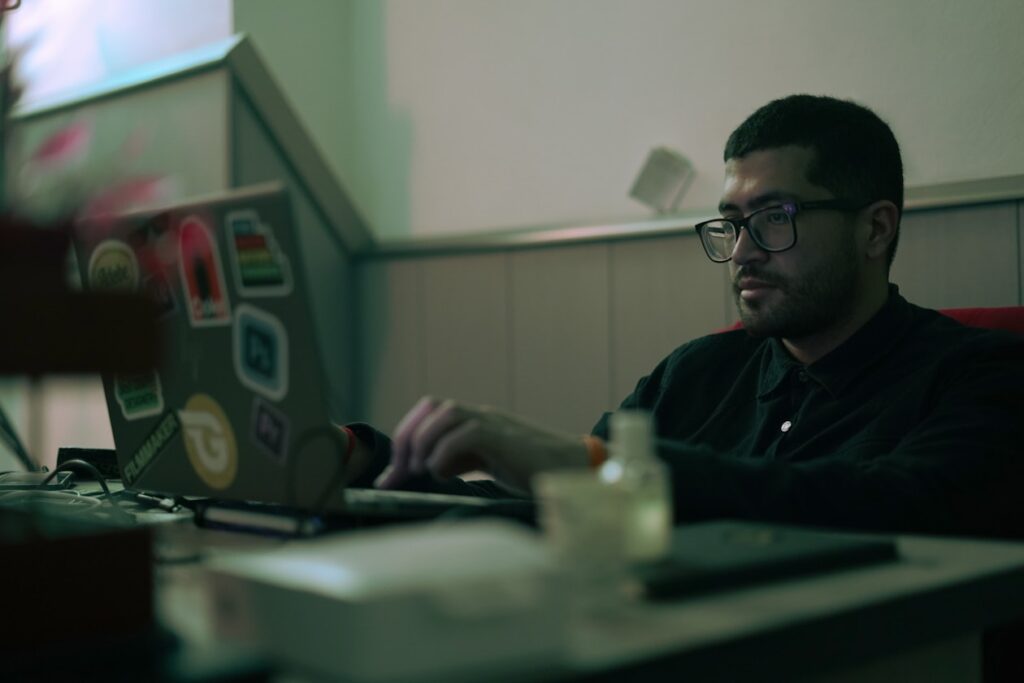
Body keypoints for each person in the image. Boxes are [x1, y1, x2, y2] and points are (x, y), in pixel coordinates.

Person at [344, 94, 1024, 538]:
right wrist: (370, 462)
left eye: (775, 218)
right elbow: (558, 514)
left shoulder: (981, 375)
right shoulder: (694, 372)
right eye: (732, 223)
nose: (745, 252)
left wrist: (586, 464)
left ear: (875, 230)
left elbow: (872, 507)